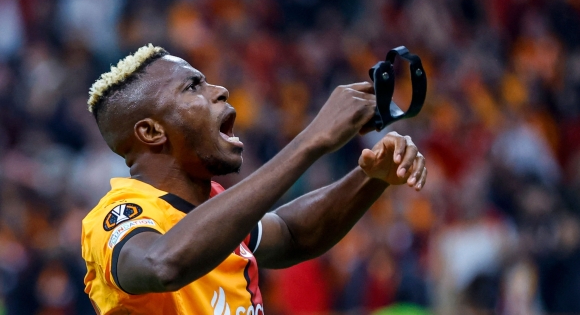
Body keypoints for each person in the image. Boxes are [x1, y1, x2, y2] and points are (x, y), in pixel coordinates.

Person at [81, 44, 427, 314]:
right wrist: (311, 140)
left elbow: (292, 235)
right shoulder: (116, 217)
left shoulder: (213, 206)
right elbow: (162, 263)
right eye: (193, 87)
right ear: (151, 131)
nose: (220, 91)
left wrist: (370, 178)